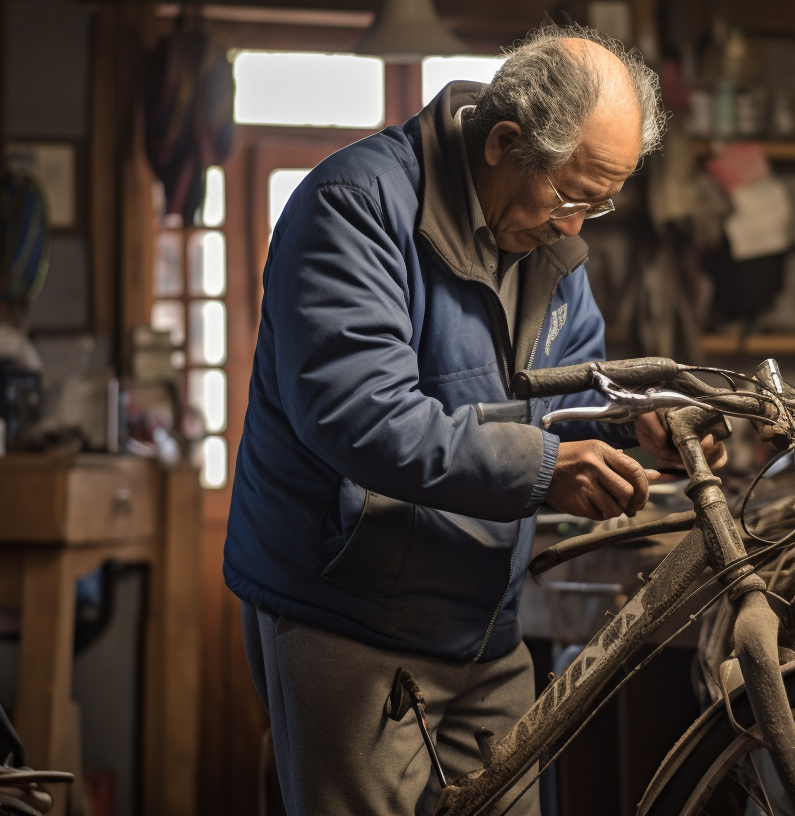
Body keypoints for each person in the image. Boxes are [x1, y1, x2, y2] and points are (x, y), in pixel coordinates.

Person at [223, 25, 723, 816]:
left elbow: (565, 400)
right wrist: (544, 471)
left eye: (601, 202)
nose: (577, 227)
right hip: (350, 615)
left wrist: (634, 425)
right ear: (503, 143)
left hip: (483, 623)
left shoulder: (549, 245)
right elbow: (359, 416)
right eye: (569, 197)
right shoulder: (354, 208)